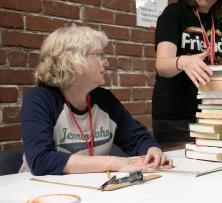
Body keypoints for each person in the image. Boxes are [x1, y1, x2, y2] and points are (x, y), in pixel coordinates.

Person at [21, 25, 171, 176]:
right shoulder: (40, 99)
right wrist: (115, 163)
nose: (106, 63)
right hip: (40, 192)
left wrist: (153, 152)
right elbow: (41, 160)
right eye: (100, 55)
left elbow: (137, 138)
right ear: (73, 60)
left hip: (92, 189)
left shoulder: (104, 99)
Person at [152, 0, 222, 146]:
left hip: (210, 113)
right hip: (176, 117)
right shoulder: (174, 13)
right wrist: (183, 62)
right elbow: (162, 65)